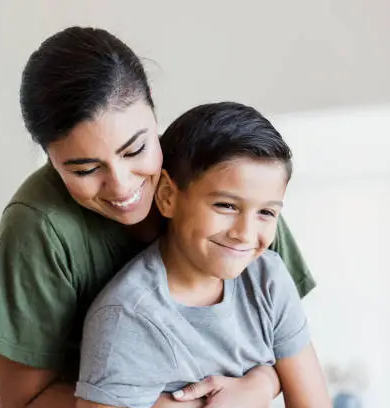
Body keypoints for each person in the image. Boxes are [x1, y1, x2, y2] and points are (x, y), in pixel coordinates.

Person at [0, 26, 316, 408]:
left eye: (135, 149)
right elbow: (24, 399)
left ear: (153, 114)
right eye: (85, 169)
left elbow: (281, 335)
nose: (121, 186)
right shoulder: (37, 226)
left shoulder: (225, 192)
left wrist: (261, 384)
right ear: (50, 160)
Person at [75, 102, 331, 408]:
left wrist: (263, 381)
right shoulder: (128, 317)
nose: (245, 233)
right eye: (226, 206)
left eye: (266, 212)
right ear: (168, 196)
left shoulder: (268, 280)